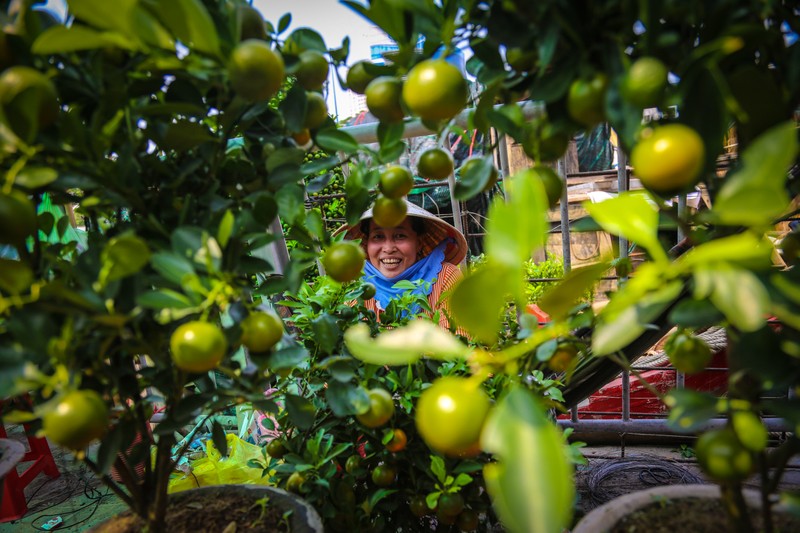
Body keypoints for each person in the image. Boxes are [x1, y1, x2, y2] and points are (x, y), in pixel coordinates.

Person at [337, 199, 468, 332]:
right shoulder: (358, 284)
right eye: (378, 236)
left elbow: (457, 344)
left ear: (419, 243)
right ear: (367, 243)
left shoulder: (445, 276)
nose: (388, 249)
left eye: (400, 236)